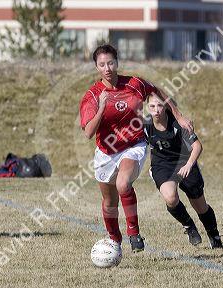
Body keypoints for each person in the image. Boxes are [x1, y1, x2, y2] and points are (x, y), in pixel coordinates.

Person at [79, 44, 193, 252]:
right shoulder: (93, 96)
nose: (107, 68)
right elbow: (88, 132)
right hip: (106, 152)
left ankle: (134, 233)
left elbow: (158, 91)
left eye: (111, 63)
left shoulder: (134, 84)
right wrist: (102, 108)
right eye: (102, 64)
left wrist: (178, 115)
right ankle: (114, 239)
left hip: (134, 145)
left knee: (123, 184)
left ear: (117, 62)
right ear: (96, 67)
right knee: (109, 202)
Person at [143, 93, 223, 249]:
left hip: (185, 162)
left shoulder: (178, 124)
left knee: (200, 206)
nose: (156, 110)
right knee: (170, 198)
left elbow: (197, 146)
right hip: (162, 165)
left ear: (166, 106)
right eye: (152, 106)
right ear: (147, 107)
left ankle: (214, 235)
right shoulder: (144, 124)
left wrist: (188, 165)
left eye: (160, 105)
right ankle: (189, 226)